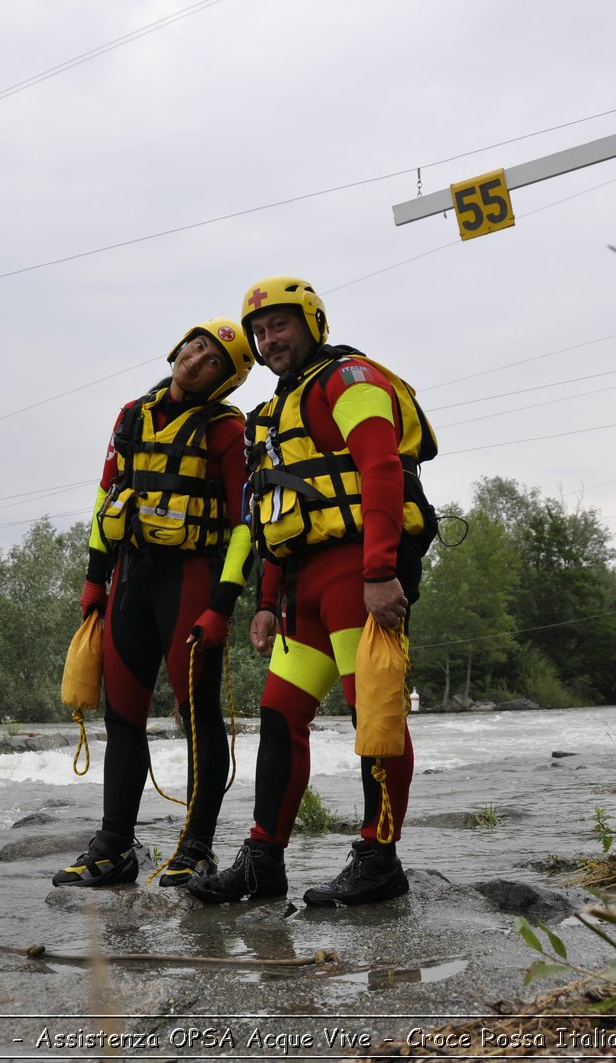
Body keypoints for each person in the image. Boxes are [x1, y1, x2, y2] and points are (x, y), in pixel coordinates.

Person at [188, 276, 434, 908]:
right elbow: (273, 509)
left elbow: (379, 468)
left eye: (281, 325)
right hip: (304, 589)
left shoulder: (347, 380)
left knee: (373, 715)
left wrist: (380, 572)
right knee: (278, 715)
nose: (270, 339)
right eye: (260, 331)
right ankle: (263, 860)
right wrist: (268, 599)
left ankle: (380, 859)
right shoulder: (274, 414)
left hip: (358, 574)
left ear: (312, 323)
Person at [52, 318, 256, 889]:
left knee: (199, 717)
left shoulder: (226, 430)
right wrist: (95, 580)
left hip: (193, 581)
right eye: (195, 347)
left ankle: (196, 847)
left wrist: (223, 602)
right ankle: (114, 847)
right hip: (131, 578)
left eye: (214, 359)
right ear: (178, 348)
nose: (196, 360)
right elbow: (105, 498)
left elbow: (245, 525)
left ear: (226, 381)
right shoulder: (130, 416)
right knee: (122, 716)